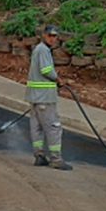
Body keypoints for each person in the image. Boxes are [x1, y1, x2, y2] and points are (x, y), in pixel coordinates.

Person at [27, 24, 71, 171]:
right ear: (44, 35)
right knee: (54, 128)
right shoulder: (43, 50)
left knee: (37, 128)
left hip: (35, 97)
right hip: (45, 98)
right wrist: (59, 80)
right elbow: (46, 71)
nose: (52, 38)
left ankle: (39, 156)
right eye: (50, 35)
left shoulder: (38, 49)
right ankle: (56, 159)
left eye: (55, 36)